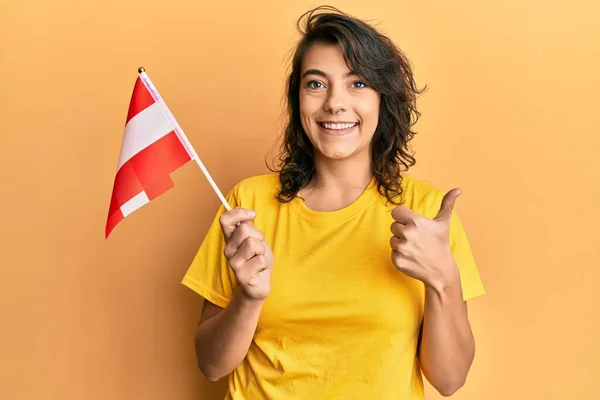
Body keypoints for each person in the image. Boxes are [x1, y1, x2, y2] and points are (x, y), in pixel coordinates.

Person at [181, 5, 485, 400]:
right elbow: (211, 364)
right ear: (298, 99)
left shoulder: (425, 214)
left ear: (383, 99)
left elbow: (450, 379)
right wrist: (248, 297)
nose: (335, 103)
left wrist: (444, 278)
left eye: (357, 83)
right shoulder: (248, 205)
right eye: (316, 83)